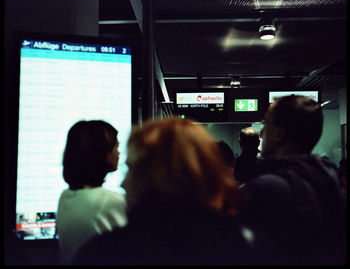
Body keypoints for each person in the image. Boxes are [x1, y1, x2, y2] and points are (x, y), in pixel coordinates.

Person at [73, 117, 281, 265]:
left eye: (131, 170)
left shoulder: (105, 253)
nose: (123, 183)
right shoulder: (251, 247)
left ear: (158, 177)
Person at [239, 95, 346, 265]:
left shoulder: (263, 190)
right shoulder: (331, 180)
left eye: (266, 124)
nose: (262, 132)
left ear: (279, 134)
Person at [56, 120, 128, 264]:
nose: (119, 153)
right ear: (103, 152)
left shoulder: (65, 197)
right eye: (116, 147)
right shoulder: (109, 202)